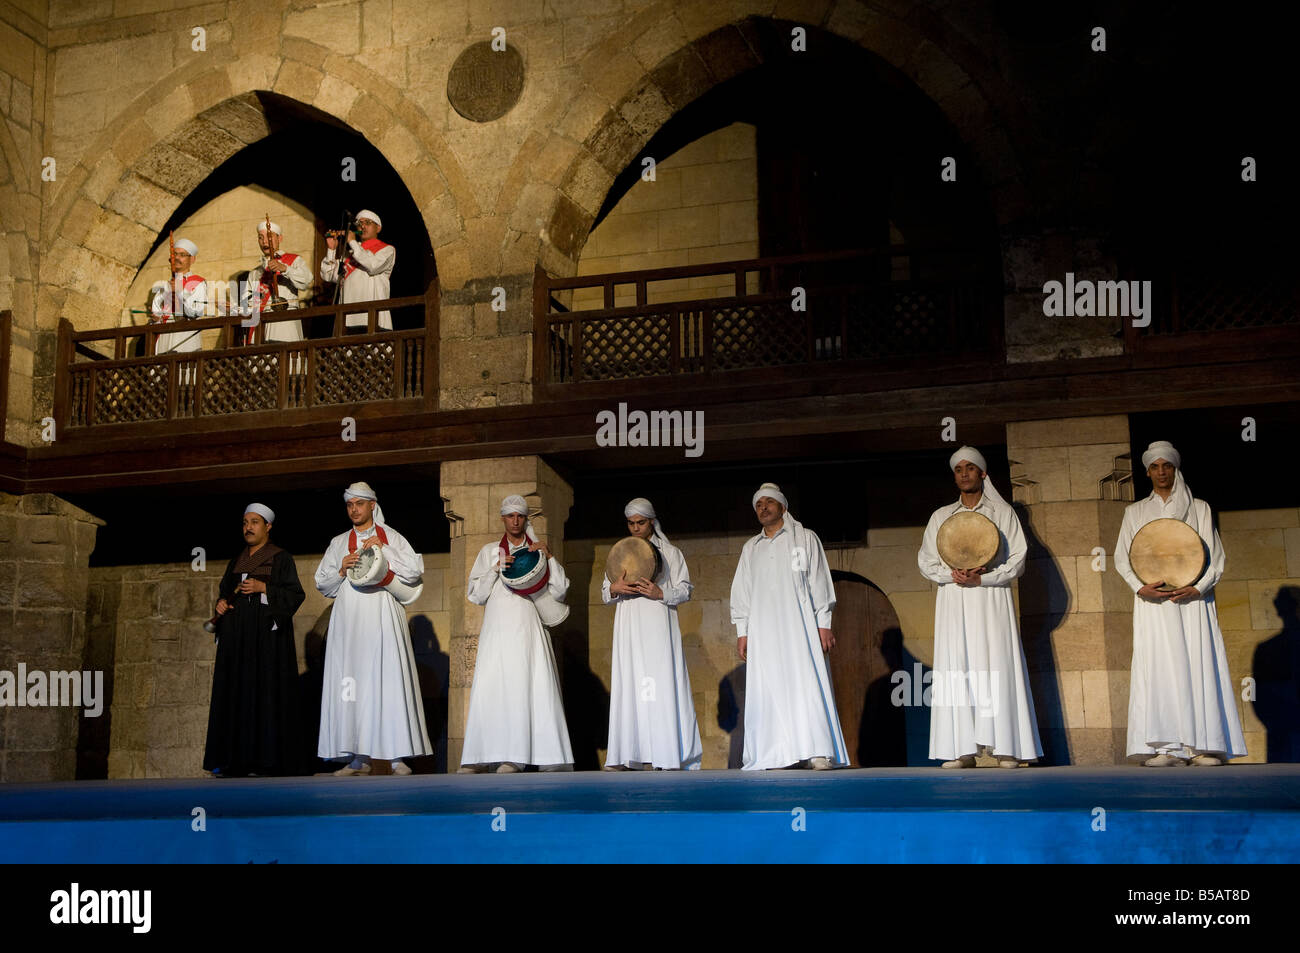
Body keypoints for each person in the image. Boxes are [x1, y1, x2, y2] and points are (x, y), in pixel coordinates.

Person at [1115, 441, 1246, 766]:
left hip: (1191, 603)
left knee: (1196, 662)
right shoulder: (1135, 512)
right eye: (1155, 467)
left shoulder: (1199, 508)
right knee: (1160, 666)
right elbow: (1121, 558)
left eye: (1167, 466)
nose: (1161, 472)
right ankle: (1168, 748)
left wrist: (1198, 588)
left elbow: (1215, 559)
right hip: (1154, 604)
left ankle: (1203, 745)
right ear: (1147, 472)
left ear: (1175, 469)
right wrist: (1139, 587)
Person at [917, 446, 1042, 768]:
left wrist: (985, 580)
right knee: (957, 667)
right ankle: (962, 749)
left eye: (970, 468)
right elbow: (925, 561)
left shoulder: (1003, 514)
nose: (964, 474)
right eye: (958, 469)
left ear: (983, 473)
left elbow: (1018, 560)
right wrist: (951, 574)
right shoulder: (942, 516)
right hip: (955, 599)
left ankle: (1006, 748)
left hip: (990, 597)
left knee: (996, 664)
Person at [315, 482, 432, 775]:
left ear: (372, 505)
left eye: (359, 504)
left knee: (387, 681)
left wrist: (385, 550)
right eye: (350, 505)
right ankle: (358, 758)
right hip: (349, 620)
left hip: (382, 613)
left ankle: (395, 758)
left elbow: (415, 570)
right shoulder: (338, 542)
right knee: (351, 683)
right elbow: (323, 584)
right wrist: (341, 569)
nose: (354, 509)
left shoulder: (390, 536)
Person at [729, 483, 848, 770]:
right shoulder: (751, 548)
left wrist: (823, 624)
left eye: (769, 502)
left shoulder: (805, 539)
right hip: (764, 631)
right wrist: (742, 631)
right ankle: (775, 753)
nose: (763, 508)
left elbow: (819, 581)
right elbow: (741, 592)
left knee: (804, 683)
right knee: (768, 688)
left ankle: (816, 750)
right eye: (758, 504)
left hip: (800, 628)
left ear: (783, 506)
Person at [459, 495, 573, 773]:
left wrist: (549, 557)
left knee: (527, 686)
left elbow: (560, 589)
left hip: (527, 628)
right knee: (493, 688)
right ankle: (481, 755)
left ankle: (519, 757)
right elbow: (475, 594)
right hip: (497, 630)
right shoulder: (489, 552)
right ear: (503, 518)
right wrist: (496, 569)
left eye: (520, 516)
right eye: (510, 516)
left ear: (525, 519)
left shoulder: (536, 550)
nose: (515, 521)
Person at [203, 503, 305, 777]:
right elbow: (225, 591)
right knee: (235, 692)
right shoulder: (236, 561)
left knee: (264, 693)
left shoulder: (281, 558)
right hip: (237, 637)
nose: (248, 527)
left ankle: (266, 761)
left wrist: (264, 588)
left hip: (265, 640)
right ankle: (232, 760)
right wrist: (221, 605)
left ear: (268, 526)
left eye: (254, 522)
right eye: (245, 522)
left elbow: (295, 595)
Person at [603, 498, 702, 770]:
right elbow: (605, 592)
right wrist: (615, 588)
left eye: (641, 522)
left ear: (652, 522)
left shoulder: (670, 553)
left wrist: (661, 593)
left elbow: (686, 590)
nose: (635, 528)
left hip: (658, 622)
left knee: (658, 686)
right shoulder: (621, 552)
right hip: (629, 623)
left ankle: (664, 754)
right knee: (631, 684)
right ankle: (629, 755)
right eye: (631, 523)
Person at [320, 209, 395, 331]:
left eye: (368, 222)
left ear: (378, 228)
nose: (363, 226)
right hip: (348, 317)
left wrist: (352, 241)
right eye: (360, 224)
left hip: (372, 317)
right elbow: (329, 276)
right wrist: (331, 250)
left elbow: (373, 266)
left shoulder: (387, 250)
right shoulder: (349, 254)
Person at [245, 219, 312, 342]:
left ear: (279, 238)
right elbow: (249, 303)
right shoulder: (254, 273)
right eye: (260, 238)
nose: (264, 241)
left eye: (269, 237)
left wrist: (285, 268)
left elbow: (306, 281)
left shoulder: (293, 260)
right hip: (262, 324)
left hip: (285, 323)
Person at [151, 237, 208, 355]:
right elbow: (156, 312)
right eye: (175, 254)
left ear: (192, 259)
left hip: (184, 336)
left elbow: (197, 312)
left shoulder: (198, 283)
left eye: (182, 255)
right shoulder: (165, 286)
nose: (177, 258)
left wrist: (180, 292)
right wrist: (156, 319)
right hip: (164, 337)